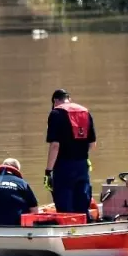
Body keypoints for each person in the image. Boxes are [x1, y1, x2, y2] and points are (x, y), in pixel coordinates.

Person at [45, 88, 96, 217]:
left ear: (55, 101)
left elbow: (55, 146)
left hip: (63, 166)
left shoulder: (56, 113)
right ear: (69, 99)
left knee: (65, 209)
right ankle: (85, 233)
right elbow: (92, 144)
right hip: (82, 166)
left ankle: (67, 234)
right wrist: (83, 156)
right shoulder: (85, 112)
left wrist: (48, 171)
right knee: (82, 205)